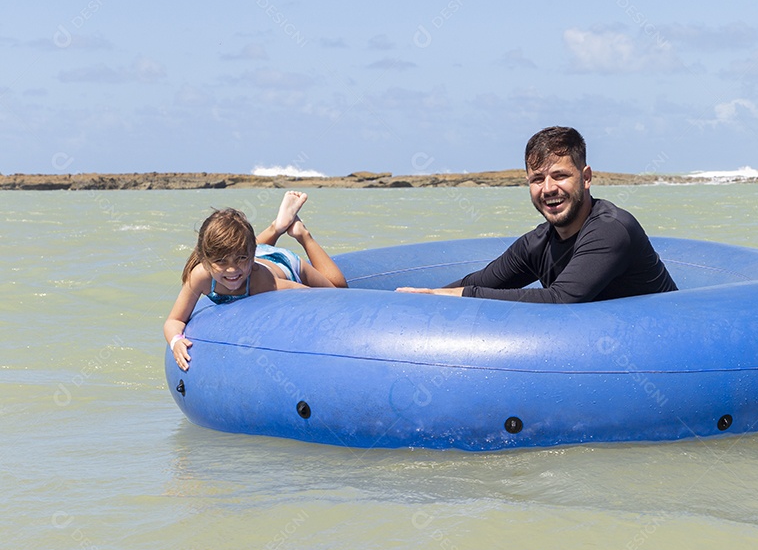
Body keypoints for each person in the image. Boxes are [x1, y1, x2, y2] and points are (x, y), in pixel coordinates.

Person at [396, 126, 678, 303]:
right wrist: (425, 297)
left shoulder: (611, 228)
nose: (548, 188)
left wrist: (463, 295)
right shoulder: (538, 243)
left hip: (666, 350)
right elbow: (480, 282)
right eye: (537, 179)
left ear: (586, 177)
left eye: (560, 175)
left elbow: (561, 299)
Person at [164, 191, 346, 370]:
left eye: (241, 259)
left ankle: (302, 234)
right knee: (236, 254)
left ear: (251, 256)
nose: (231, 269)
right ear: (205, 261)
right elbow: (174, 320)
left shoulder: (264, 283)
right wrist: (176, 341)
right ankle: (278, 226)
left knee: (338, 290)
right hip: (253, 259)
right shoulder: (200, 276)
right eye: (221, 262)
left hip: (283, 264)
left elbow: (317, 296)